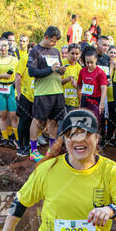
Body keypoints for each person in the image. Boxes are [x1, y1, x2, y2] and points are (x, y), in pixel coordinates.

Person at [27, 25, 66, 161]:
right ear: (46, 37)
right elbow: (32, 72)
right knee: (38, 120)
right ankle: (33, 150)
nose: (54, 44)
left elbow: (57, 69)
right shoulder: (35, 51)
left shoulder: (56, 51)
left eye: (56, 42)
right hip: (42, 92)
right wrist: (50, 69)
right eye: (53, 41)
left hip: (57, 90)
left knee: (54, 121)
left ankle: (52, 148)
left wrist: (61, 70)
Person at [0, 38, 18, 147]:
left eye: (5, 45)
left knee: (14, 115)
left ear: (8, 46)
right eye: (0, 46)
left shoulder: (14, 60)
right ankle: (5, 138)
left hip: (11, 89)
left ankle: (16, 138)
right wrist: (3, 76)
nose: (3, 48)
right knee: (2, 115)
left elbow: (19, 75)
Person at [77, 48, 107, 129]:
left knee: (95, 123)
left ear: (96, 60)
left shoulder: (100, 73)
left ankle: (96, 140)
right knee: (84, 122)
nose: (89, 65)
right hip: (85, 100)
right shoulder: (82, 71)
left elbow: (104, 88)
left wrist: (102, 103)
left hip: (96, 101)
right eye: (87, 62)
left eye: (92, 62)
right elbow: (79, 85)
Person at [15, 43, 35, 157]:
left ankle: (28, 145)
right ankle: (20, 145)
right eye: (31, 50)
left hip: (35, 96)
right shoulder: (24, 58)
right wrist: (19, 95)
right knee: (24, 120)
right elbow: (18, 76)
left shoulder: (39, 60)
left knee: (31, 121)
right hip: (25, 95)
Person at [62, 43, 82, 112]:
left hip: (73, 102)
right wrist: (67, 79)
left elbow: (80, 88)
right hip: (61, 101)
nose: (74, 56)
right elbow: (55, 83)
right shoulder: (62, 64)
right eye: (72, 53)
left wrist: (77, 85)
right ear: (68, 53)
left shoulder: (79, 68)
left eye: (77, 54)